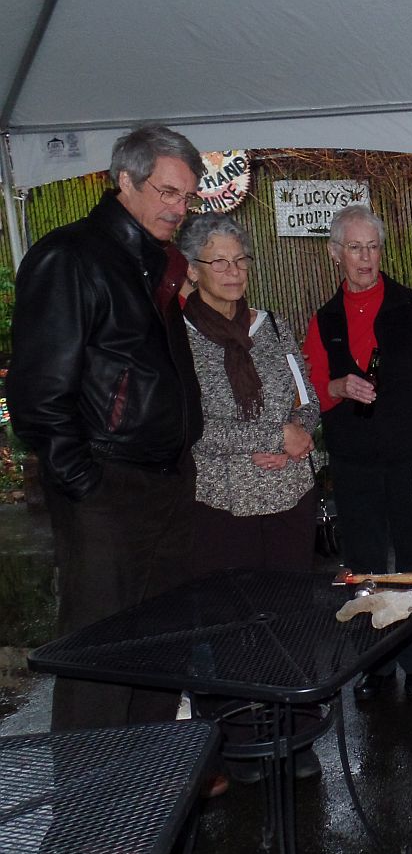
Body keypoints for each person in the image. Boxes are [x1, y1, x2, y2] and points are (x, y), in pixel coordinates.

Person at [8, 124, 205, 731]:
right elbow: (37, 394)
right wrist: (84, 483)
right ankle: (91, 790)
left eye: (187, 196)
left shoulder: (155, 262)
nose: (179, 208)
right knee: (99, 655)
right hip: (106, 484)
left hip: (165, 478)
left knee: (160, 645)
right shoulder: (70, 257)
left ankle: (150, 776)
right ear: (125, 179)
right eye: (167, 192)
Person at [177, 212, 323, 783]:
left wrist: (298, 434)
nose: (234, 271)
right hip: (222, 503)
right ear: (193, 270)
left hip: (289, 494)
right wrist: (269, 436)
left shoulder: (273, 327)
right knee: (231, 622)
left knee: (290, 616)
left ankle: (296, 729)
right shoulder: (177, 338)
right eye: (220, 261)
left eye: (240, 260)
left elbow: (308, 397)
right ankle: (239, 736)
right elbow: (188, 425)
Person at [302, 204, 412, 703]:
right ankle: (375, 663)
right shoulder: (324, 320)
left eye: (373, 247)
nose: (366, 257)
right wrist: (337, 386)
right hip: (353, 464)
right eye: (355, 248)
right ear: (335, 254)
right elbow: (309, 393)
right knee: (365, 566)